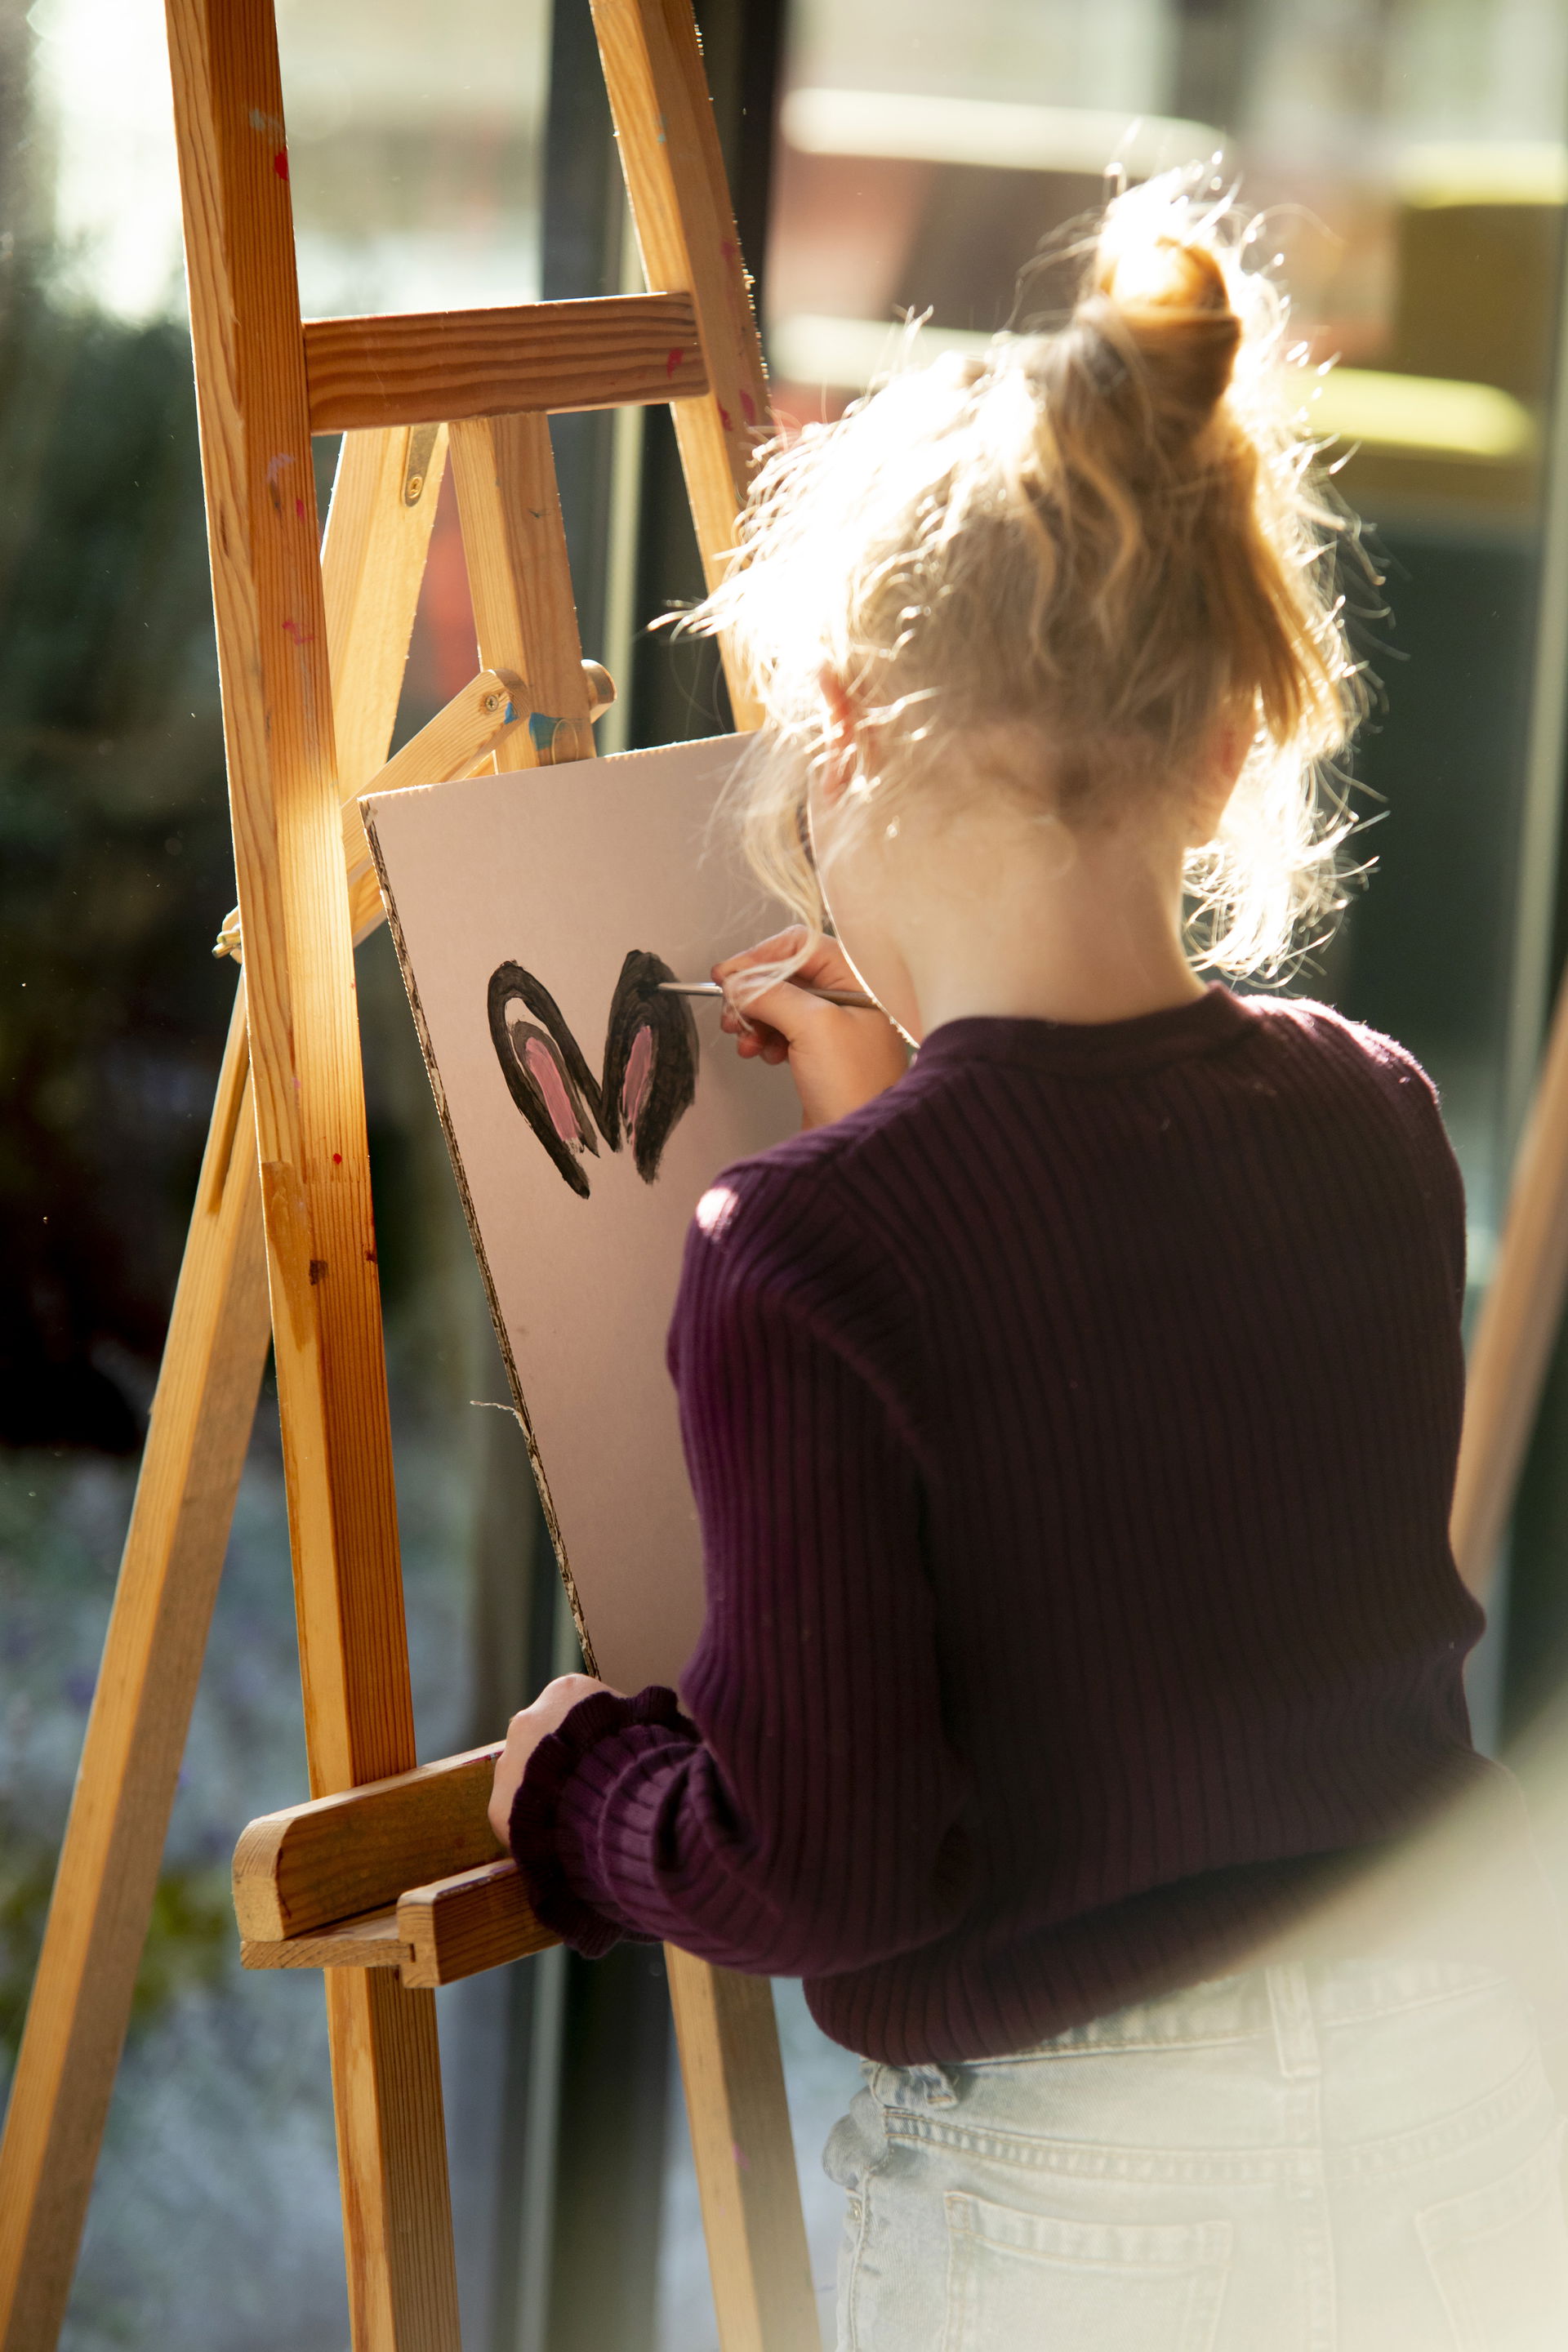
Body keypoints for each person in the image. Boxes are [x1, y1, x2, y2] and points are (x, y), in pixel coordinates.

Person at [488, 170, 1568, 2348]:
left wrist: (578, 1795)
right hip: (1468, 2087)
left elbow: (824, 1869)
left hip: (1099, 2201)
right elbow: (1132, 1399)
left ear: (844, 718)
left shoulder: (805, 1260)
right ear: (1236, 733)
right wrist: (897, 1117)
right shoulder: (1370, 1109)